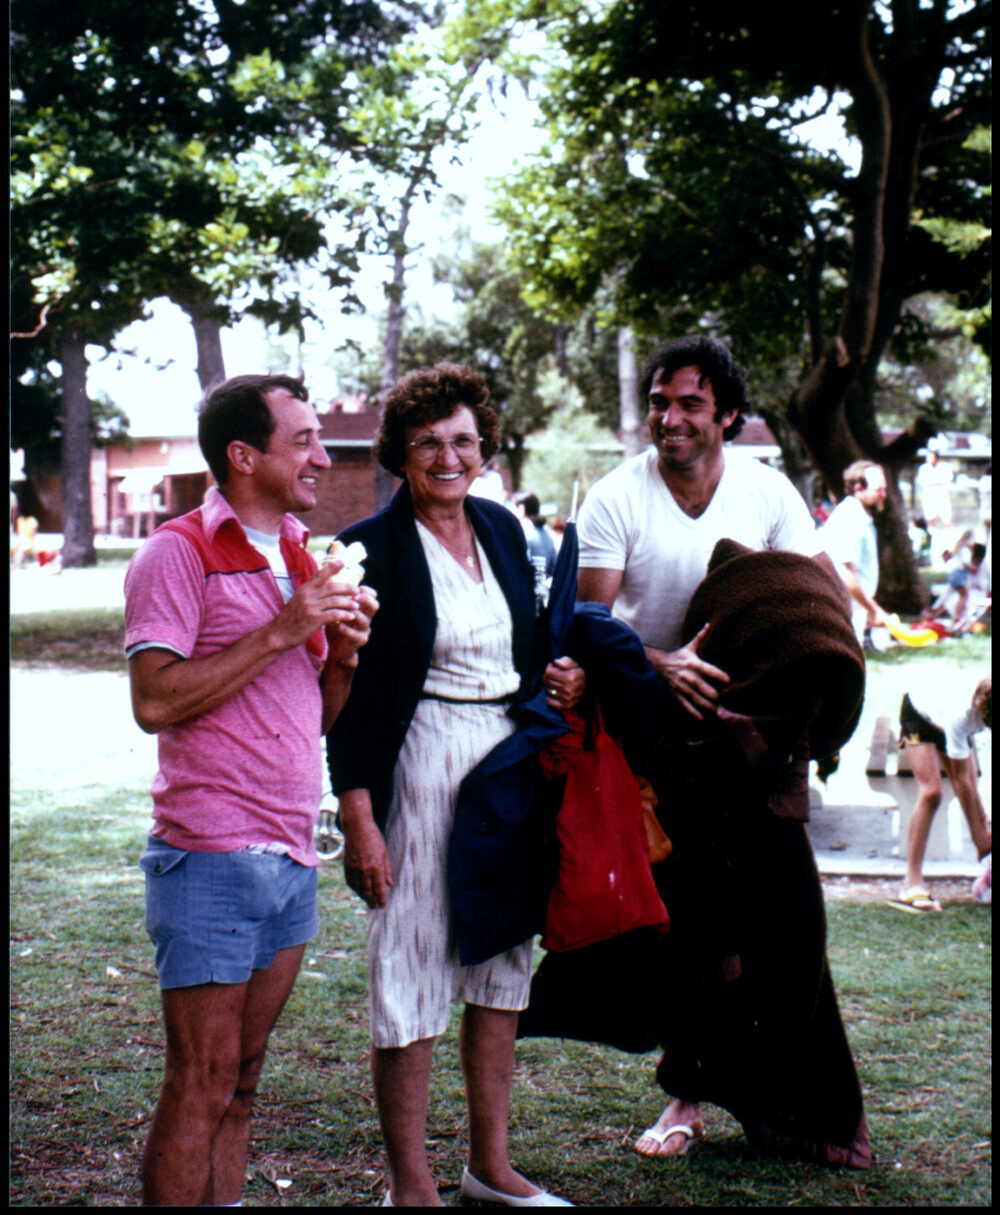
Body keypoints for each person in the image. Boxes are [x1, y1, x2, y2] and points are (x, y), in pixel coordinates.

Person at [326, 363, 582, 1208]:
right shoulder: (369, 547)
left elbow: (528, 649)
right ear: (400, 451)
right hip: (416, 758)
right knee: (411, 964)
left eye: (463, 440)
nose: (447, 456)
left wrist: (557, 680)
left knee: (502, 961)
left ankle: (490, 1167)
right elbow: (351, 699)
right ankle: (412, 1185)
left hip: (503, 763)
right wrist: (359, 813)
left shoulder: (505, 531)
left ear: (485, 449)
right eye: (428, 441)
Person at [124, 374, 377, 1208]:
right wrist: (283, 629)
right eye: (301, 439)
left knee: (244, 1079)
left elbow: (315, 716)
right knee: (201, 1077)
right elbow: (155, 701)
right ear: (243, 456)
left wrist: (338, 654)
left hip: (291, 852)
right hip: (208, 852)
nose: (321, 453)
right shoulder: (178, 551)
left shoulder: (305, 554)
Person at [575, 335, 819, 1158]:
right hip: (658, 736)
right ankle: (684, 1100)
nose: (669, 419)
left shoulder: (767, 491)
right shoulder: (615, 497)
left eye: (689, 404)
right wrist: (660, 663)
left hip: (754, 738)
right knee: (691, 928)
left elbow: (811, 600)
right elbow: (587, 624)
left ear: (729, 418)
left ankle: (782, 1105)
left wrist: (809, 704)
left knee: (779, 925)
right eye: (659, 402)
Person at [890, 677, 992, 914]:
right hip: (919, 715)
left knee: (973, 784)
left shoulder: (975, 713)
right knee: (931, 793)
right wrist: (982, 845)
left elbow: (970, 787)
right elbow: (961, 783)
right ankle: (911, 885)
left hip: (946, 717)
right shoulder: (963, 715)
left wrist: (984, 837)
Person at [818, 461, 891, 648]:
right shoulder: (850, 518)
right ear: (858, 488)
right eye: (878, 490)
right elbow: (846, 574)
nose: (884, 495)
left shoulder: (859, 515)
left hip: (852, 607)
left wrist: (867, 607)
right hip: (840, 608)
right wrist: (873, 608)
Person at [511, 490, 558, 578]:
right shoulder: (547, 535)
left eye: (512, 506)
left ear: (521, 508)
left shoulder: (520, 532)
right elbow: (554, 567)